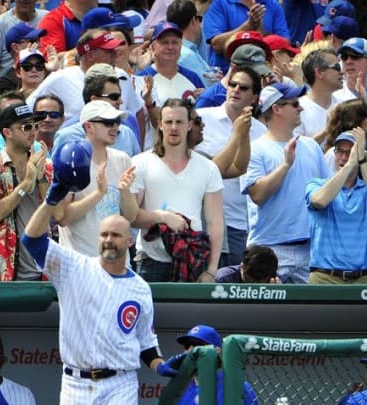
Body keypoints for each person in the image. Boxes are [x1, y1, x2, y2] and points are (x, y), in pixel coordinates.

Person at [20, 142, 179, 403]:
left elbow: (146, 344)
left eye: (115, 235)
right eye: (104, 234)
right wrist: (52, 199)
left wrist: (161, 366)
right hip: (76, 383)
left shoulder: (140, 287)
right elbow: (32, 241)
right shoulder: (75, 267)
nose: (108, 240)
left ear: (129, 241)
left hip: (120, 382)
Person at [243, 83, 330, 283]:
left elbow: (325, 193)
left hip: (311, 249)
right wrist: (286, 165)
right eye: (294, 104)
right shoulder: (255, 149)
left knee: (312, 314)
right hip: (269, 250)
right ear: (276, 108)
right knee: (265, 314)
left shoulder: (310, 146)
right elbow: (258, 195)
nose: (300, 108)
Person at [132, 98, 224, 282]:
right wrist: (162, 217)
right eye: (168, 122)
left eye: (179, 122)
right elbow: (132, 217)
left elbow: (215, 222)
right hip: (152, 262)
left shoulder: (208, 168)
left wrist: (211, 270)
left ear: (189, 125)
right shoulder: (140, 163)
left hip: (194, 260)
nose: (174, 127)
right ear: (159, 124)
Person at [0, 102, 51, 281]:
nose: (33, 132)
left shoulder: (44, 164)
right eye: (26, 127)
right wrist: (25, 185)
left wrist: (40, 178)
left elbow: (54, 213)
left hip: (40, 270)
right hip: (0, 272)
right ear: (7, 132)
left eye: (35, 126)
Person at [195, 67, 263, 266]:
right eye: (232, 85)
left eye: (243, 88)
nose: (236, 90)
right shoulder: (202, 119)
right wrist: (237, 135)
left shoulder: (261, 131)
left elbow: (240, 169)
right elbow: (210, 172)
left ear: (254, 97)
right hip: (203, 219)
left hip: (239, 223)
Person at [54, 100, 138, 257]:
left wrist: (125, 191)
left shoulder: (123, 159)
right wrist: (99, 193)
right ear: (88, 126)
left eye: (117, 122)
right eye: (108, 122)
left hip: (117, 263)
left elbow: (131, 217)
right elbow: (63, 218)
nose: (115, 127)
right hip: (81, 263)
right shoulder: (71, 159)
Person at [306, 129, 367, 284]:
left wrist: (362, 158)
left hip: (362, 279)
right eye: (340, 152)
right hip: (324, 278)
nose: (343, 157)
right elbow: (320, 201)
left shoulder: (366, 189)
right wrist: (350, 164)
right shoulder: (317, 184)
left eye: (349, 152)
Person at [173, 325, 258, 405]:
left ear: (216, 351)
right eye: (187, 346)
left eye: (197, 345)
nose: (190, 351)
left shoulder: (236, 386)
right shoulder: (180, 391)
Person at [295, 48, 343, 140]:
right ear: (319, 73)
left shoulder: (344, 104)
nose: (342, 72)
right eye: (337, 67)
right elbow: (297, 150)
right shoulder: (297, 109)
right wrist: (326, 131)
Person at [215, 244, 280, 283]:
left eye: (259, 283)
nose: (253, 287)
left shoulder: (275, 279)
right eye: (249, 281)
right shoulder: (224, 278)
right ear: (242, 266)